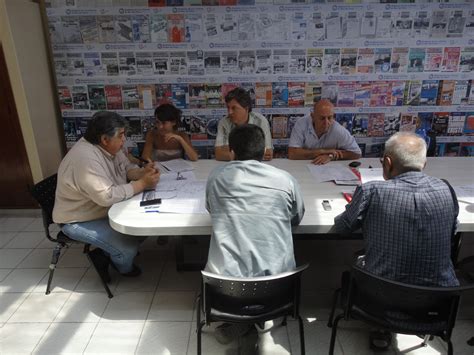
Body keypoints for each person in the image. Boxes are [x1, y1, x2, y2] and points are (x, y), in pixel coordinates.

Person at [331, 132, 459, 350]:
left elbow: (342, 227)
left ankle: (380, 327)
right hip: (436, 304)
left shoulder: (372, 190)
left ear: (387, 163)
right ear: (424, 163)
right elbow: (451, 232)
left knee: (362, 263)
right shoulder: (446, 190)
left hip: (379, 300)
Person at [206, 124, 305, 348]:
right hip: (279, 287)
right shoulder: (286, 180)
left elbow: (212, 211)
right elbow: (296, 218)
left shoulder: (216, 177)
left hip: (225, 287)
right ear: (263, 153)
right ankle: (258, 318)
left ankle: (242, 320)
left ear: (231, 152)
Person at [53, 111, 160, 277]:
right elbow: (106, 196)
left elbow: (126, 169)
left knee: (145, 225)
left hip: (102, 208)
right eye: (122, 135)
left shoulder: (109, 147)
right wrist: (142, 184)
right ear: (104, 139)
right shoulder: (85, 158)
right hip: (79, 219)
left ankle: (106, 252)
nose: (124, 140)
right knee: (127, 249)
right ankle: (123, 268)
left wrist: (142, 173)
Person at [288, 99, 361, 164]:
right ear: (313, 117)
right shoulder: (301, 124)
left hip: (328, 169)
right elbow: (292, 154)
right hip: (303, 166)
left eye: (329, 118)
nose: (326, 123)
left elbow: (357, 153)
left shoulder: (337, 129)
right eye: (322, 118)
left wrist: (331, 156)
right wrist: (322, 151)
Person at [215, 88, 273, 161]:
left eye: (234, 108)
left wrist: (234, 153)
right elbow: (219, 154)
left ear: (246, 108)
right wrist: (252, 152)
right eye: (228, 108)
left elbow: (268, 153)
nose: (229, 112)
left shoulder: (261, 121)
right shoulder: (224, 122)